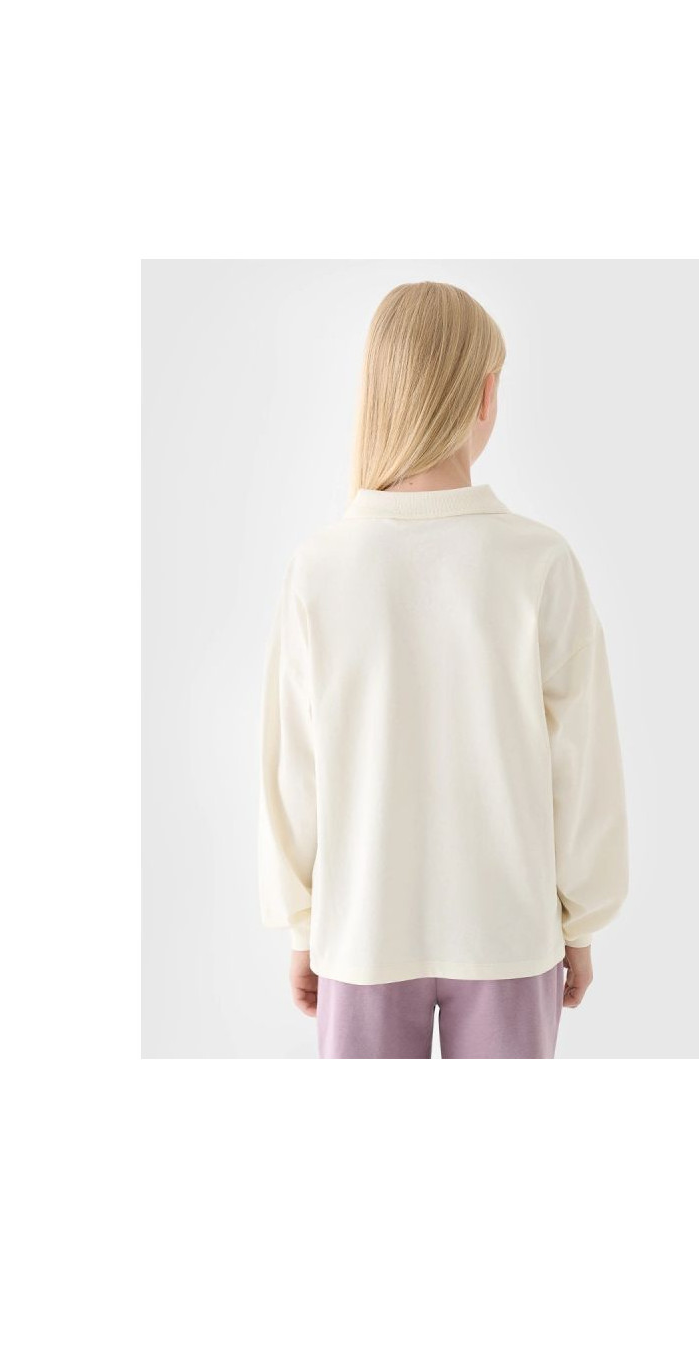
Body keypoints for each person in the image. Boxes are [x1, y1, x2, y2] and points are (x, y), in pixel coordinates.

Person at [259, 281, 628, 1058]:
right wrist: (581, 921)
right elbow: (583, 763)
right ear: (486, 393)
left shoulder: (319, 568)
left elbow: (294, 767)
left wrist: (302, 923)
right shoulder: (539, 562)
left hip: (360, 934)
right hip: (509, 933)